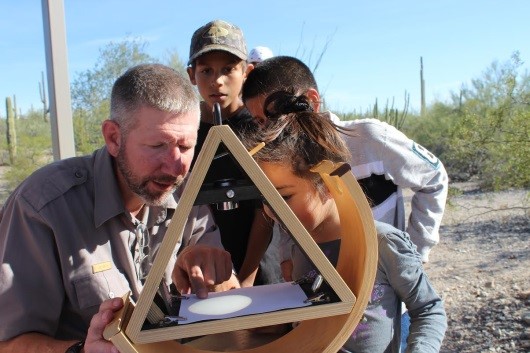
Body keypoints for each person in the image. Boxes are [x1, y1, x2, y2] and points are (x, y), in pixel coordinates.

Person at [0, 64, 238, 353]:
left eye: (186, 147)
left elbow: (228, 295)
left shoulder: (185, 191)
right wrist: (81, 350)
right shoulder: (42, 207)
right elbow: (9, 342)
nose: (175, 166)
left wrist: (214, 277)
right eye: (157, 145)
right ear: (113, 137)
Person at [241, 55, 449, 350]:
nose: (267, 131)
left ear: (311, 101)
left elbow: (433, 177)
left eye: (272, 117)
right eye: (259, 122)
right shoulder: (284, 169)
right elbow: (296, 214)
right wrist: (288, 254)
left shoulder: (370, 138)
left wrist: (416, 251)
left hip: (382, 286)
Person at [186, 19, 281, 287]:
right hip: (202, 272)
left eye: (228, 69)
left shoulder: (261, 127)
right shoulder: (183, 132)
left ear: (247, 72)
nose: (217, 81)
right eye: (206, 71)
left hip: (260, 268)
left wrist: (248, 276)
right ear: (191, 75)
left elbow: (266, 210)